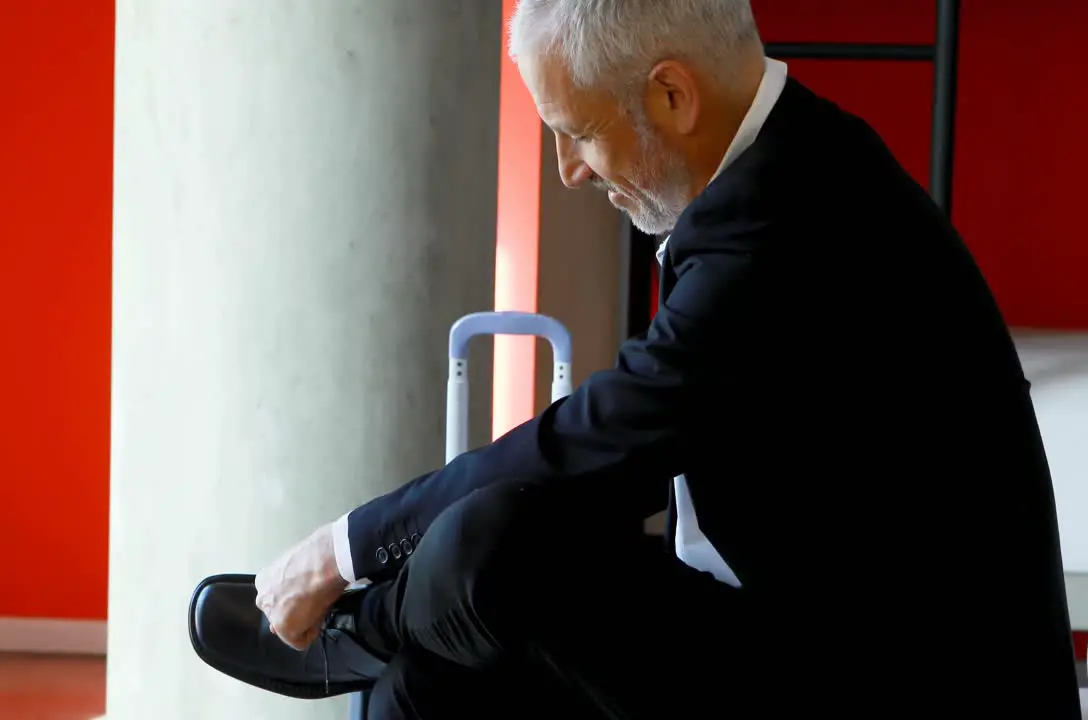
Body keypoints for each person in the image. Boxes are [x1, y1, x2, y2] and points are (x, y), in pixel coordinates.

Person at [189, 0, 1083, 717]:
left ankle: (355, 633)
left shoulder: (787, 228)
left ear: (670, 96)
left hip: (900, 692)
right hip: (805, 640)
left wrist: (339, 553)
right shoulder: (793, 164)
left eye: (575, 129)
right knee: (437, 668)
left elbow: (595, 444)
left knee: (490, 548)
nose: (569, 169)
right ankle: (370, 643)